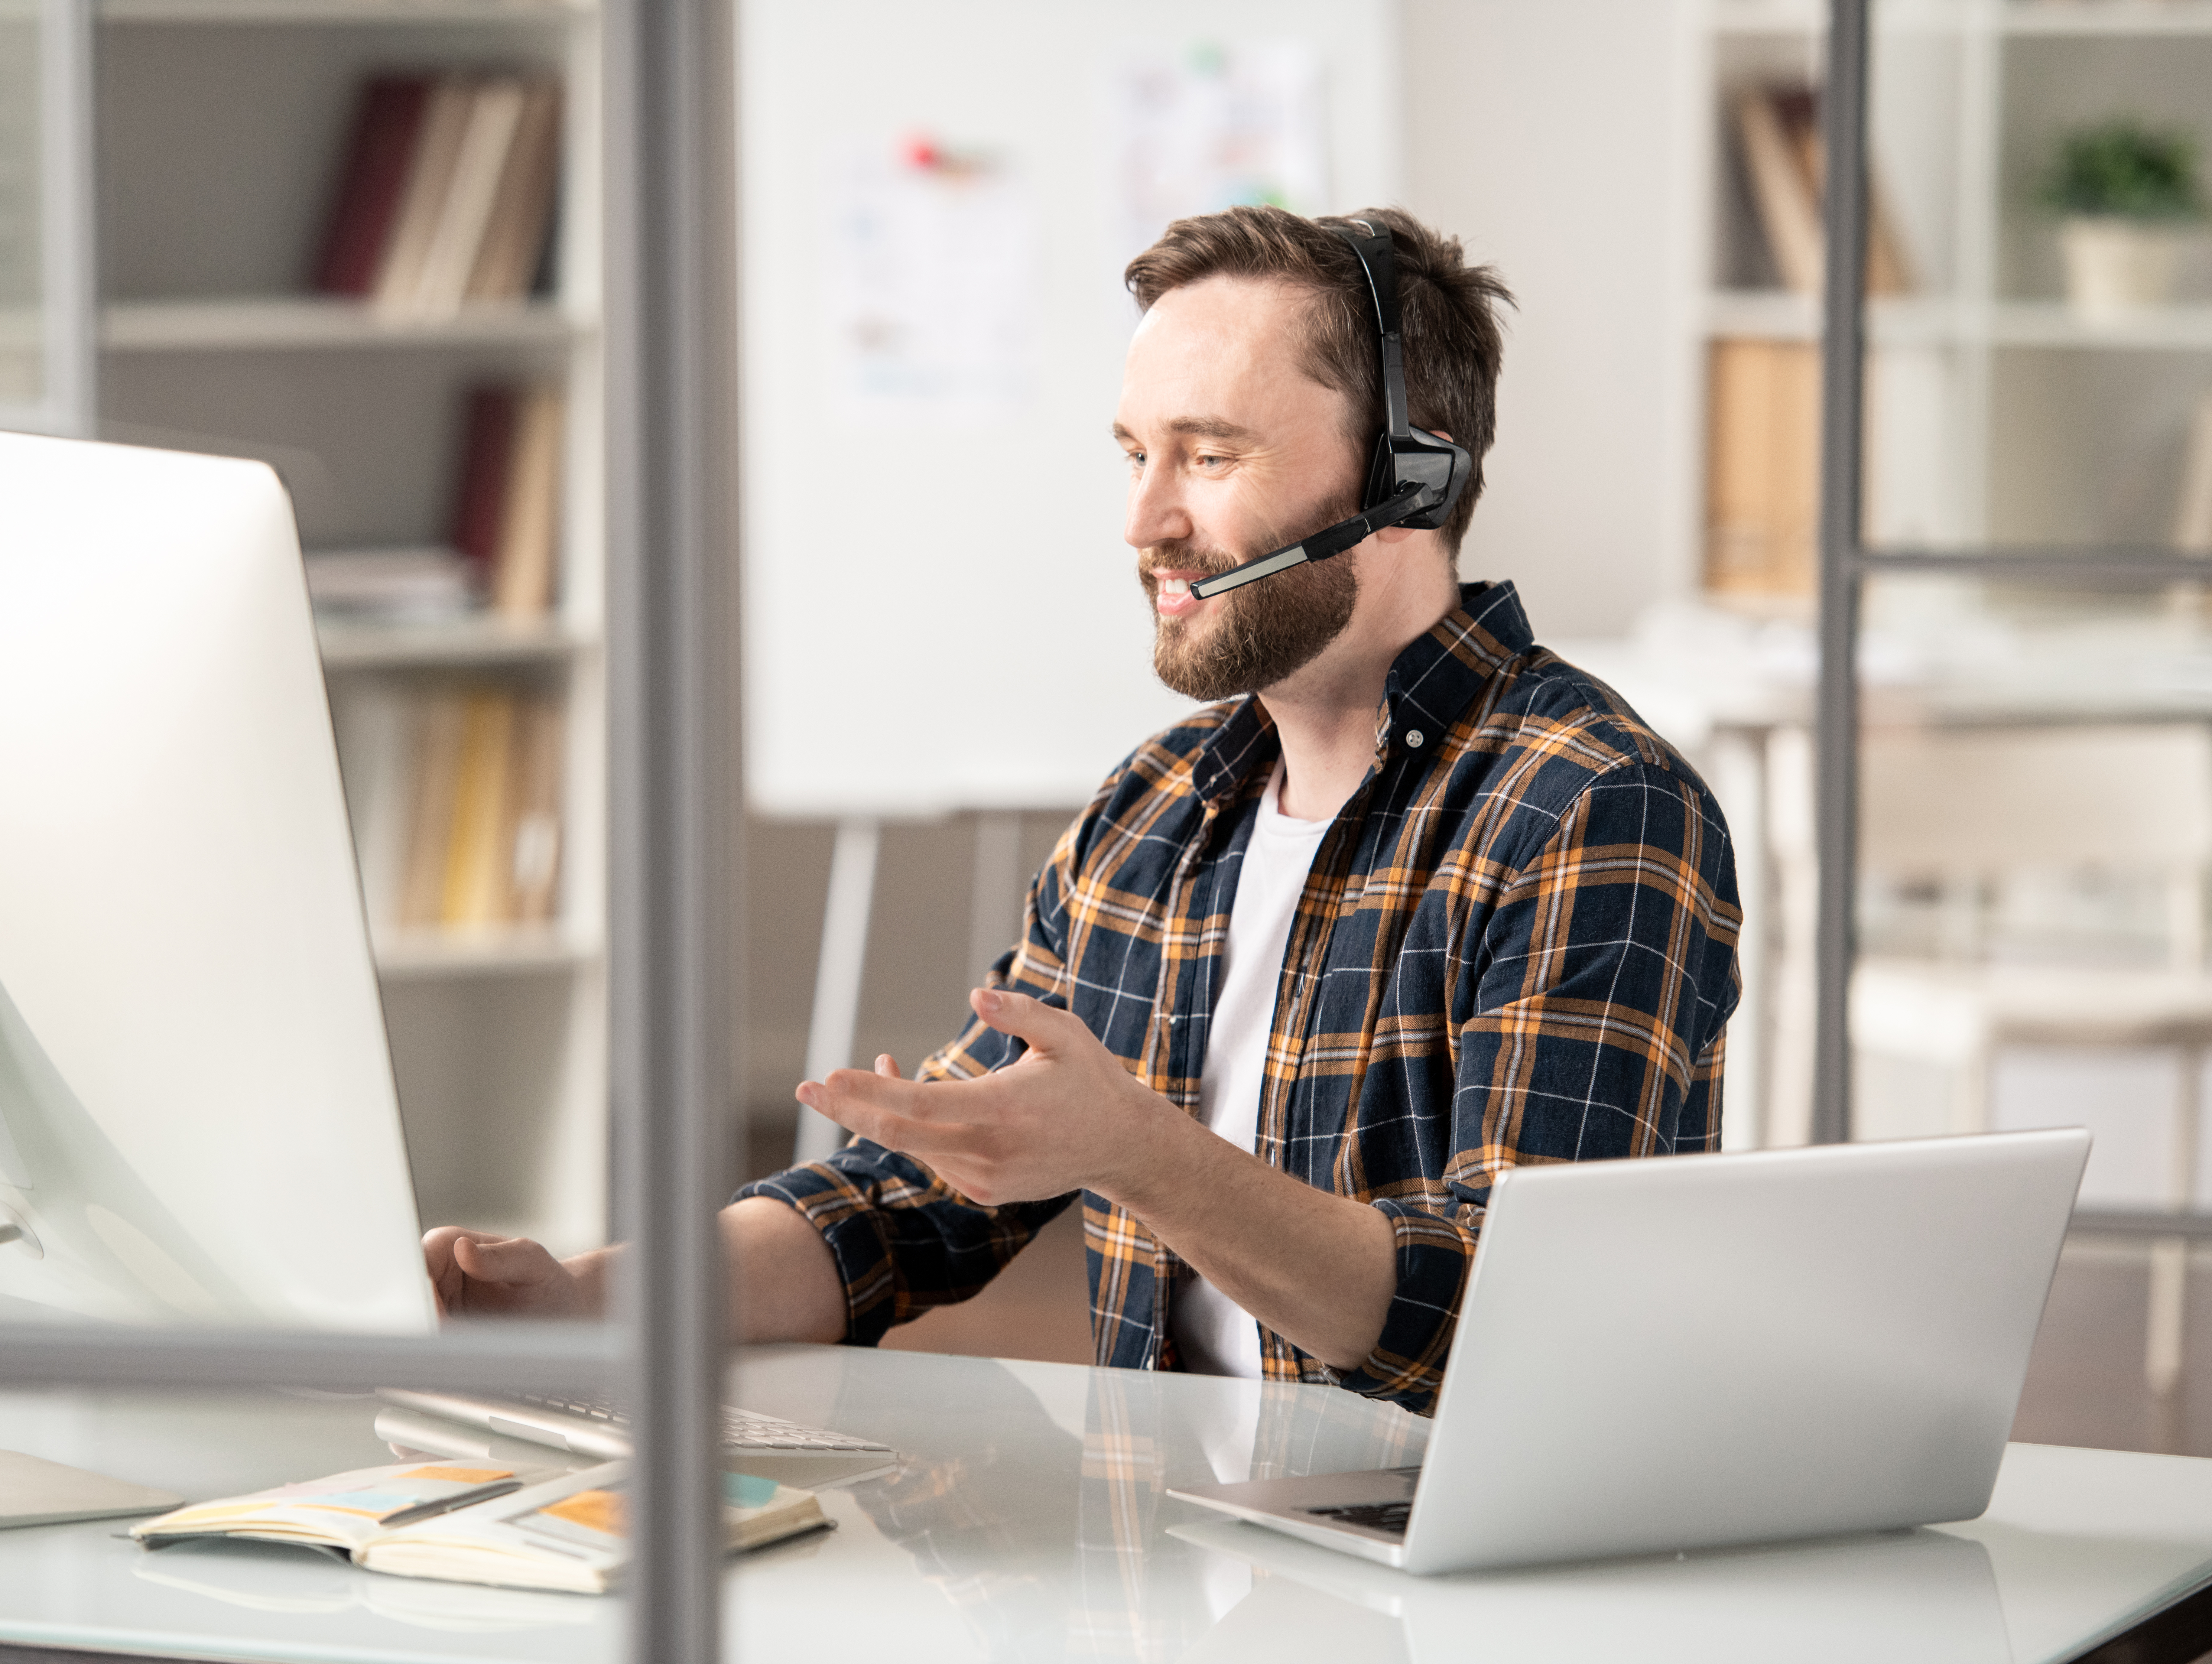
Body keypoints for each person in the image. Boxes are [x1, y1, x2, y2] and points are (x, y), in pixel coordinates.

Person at [426, 204, 1742, 1413]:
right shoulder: (1156, 806)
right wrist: (584, 1298)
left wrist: (1137, 1149)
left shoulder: (1589, 807)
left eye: (1210, 455)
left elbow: (1505, 1317)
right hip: (1164, 1566)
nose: (1143, 521)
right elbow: (906, 1205)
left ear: (1413, 477)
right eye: (1133, 455)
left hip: (1438, 1590)